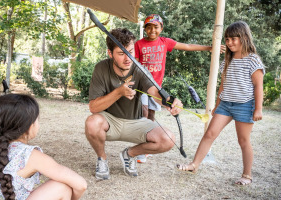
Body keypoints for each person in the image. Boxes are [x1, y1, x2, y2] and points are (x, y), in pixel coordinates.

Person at [85, 28, 183, 180]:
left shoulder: (139, 69)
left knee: (168, 139)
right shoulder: (101, 68)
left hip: (136, 122)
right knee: (92, 123)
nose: (128, 58)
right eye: (121, 53)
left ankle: (129, 154)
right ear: (110, 53)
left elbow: (155, 92)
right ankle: (102, 159)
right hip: (110, 121)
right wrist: (119, 92)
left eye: (130, 51)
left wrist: (170, 101)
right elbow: (93, 107)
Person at [177, 21, 265, 186]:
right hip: (225, 104)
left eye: (234, 39)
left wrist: (258, 109)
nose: (230, 43)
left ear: (244, 38)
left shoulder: (253, 60)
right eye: (227, 39)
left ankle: (247, 175)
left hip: (244, 105)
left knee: (243, 140)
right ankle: (194, 165)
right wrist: (217, 104)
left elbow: (258, 86)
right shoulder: (227, 61)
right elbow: (223, 84)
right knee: (209, 134)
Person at [135, 14, 225, 163]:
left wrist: (210, 48)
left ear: (161, 28)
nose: (152, 30)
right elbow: (134, 64)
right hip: (142, 86)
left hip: (156, 88)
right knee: (143, 114)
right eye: (148, 27)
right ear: (145, 29)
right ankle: (139, 150)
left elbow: (188, 46)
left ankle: (146, 148)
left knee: (151, 115)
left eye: (156, 27)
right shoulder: (139, 44)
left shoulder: (165, 42)